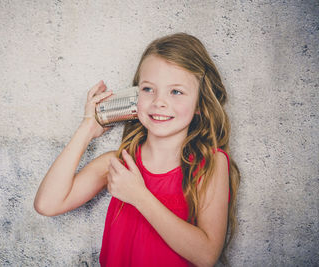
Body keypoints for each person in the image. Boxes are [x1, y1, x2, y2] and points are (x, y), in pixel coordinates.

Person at [34, 32, 240, 267]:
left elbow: (206, 255)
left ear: (200, 104)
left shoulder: (210, 164)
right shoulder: (118, 163)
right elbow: (47, 204)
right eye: (148, 89)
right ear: (135, 97)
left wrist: (139, 196)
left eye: (176, 92)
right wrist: (88, 127)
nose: (159, 101)